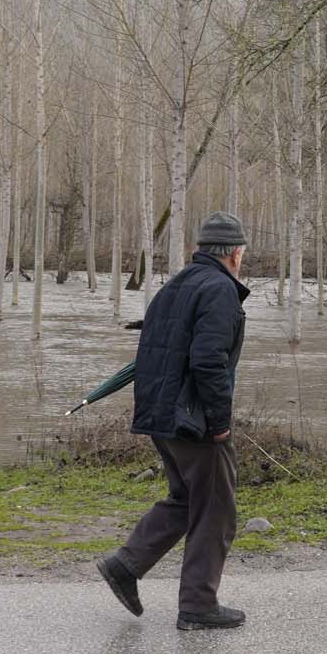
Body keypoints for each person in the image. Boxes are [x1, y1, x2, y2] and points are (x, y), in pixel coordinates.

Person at [96, 211, 252, 631]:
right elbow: (208, 361)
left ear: (201, 250)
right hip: (193, 419)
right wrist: (219, 421)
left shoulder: (177, 285)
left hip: (160, 414)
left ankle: (125, 566)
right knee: (215, 508)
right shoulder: (220, 290)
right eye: (242, 253)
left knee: (186, 498)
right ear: (235, 254)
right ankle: (198, 606)